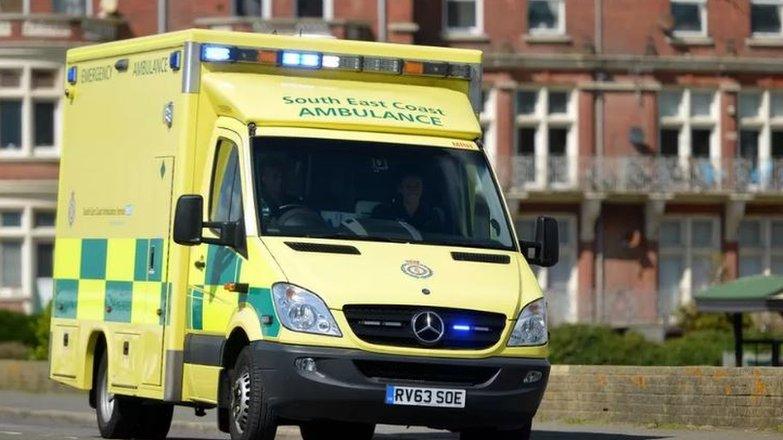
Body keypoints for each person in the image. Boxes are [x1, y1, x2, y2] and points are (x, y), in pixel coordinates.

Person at [372, 173, 444, 232]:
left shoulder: (433, 215)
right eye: (408, 186)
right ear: (400, 189)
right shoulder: (384, 212)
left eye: (417, 186)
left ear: (422, 188)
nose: (413, 190)